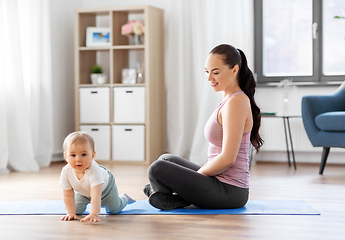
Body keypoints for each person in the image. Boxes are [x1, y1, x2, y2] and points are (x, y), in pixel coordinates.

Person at [144, 44, 263, 210]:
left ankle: (170, 195)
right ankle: (172, 196)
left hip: (230, 191)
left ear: (234, 70)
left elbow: (228, 158)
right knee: (166, 159)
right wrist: (192, 181)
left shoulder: (237, 102)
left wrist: (194, 178)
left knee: (157, 169)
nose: (209, 78)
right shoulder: (229, 99)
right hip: (217, 181)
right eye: (207, 72)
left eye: (215, 72)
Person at [59, 131, 135, 223]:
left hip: (105, 190)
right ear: (66, 156)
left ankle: (124, 198)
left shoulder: (94, 171)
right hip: (83, 191)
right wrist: (70, 212)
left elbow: (96, 195)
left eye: (83, 154)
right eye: (73, 155)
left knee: (114, 210)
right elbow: (67, 195)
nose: (78, 159)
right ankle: (78, 206)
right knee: (76, 211)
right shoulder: (66, 171)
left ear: (92, 155)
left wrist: (94, 214)